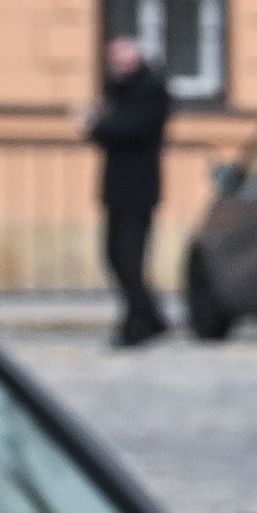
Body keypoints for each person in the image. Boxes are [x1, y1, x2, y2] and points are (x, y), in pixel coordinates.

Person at [83, 34, 174, 348]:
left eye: (119, 59)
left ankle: (139, 323)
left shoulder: (150, 90)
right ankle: (150, 317)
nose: (114, 66)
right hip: (119, 188)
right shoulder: (123, 90)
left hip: (138, 189)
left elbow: (126, 129)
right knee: (115, 256)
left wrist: (96, 124)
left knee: (128, 258)